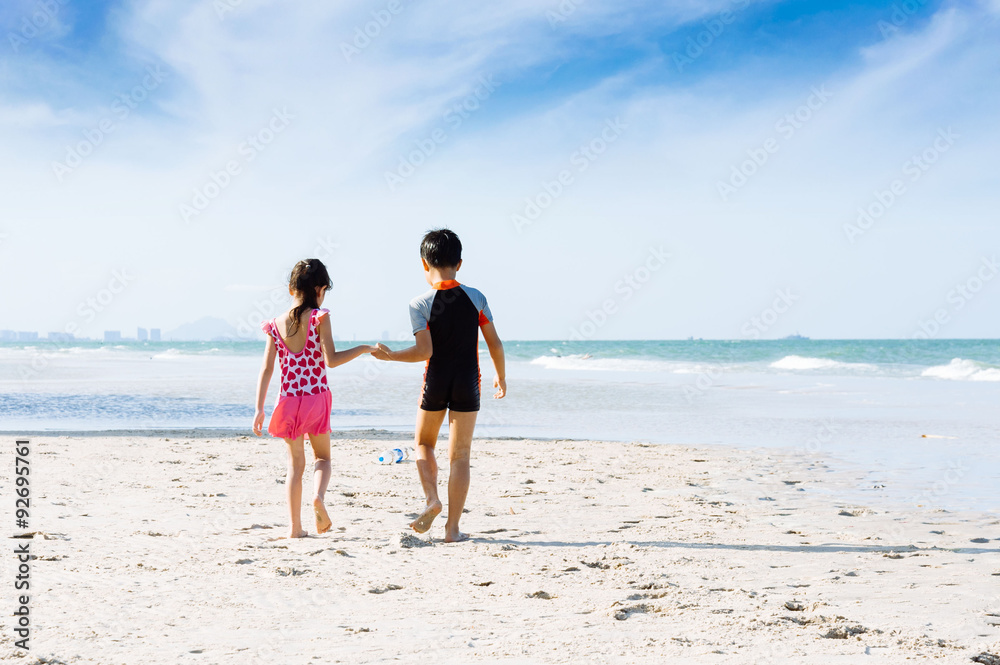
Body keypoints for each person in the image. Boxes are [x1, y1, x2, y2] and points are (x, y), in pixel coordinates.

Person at [373, 229, 506, 542]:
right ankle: (453, 529)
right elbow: (495, 344)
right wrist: (501, 375)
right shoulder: (477, 298)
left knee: (423, 443)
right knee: (460, 455)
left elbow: (424, 352)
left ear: (424, 264)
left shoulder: (419, 304)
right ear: (459, 263)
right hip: (468, 381)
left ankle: (432, 499)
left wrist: (391, 357)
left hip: (436, 380)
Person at [253, 259, 376, 539]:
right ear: (320, 289)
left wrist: (259, 408)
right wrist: (363, 348)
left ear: (290, 288)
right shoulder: (320, 317)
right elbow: (331, 360)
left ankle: (295, 528)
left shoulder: (274, 325)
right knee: (322, 459)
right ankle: (318, 497)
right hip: (316, 398)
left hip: (287, 402)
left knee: (295, 466)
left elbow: (267, 368)